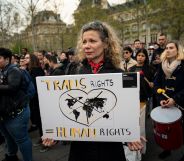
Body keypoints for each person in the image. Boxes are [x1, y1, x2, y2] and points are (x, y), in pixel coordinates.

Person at [42, 21, 146, 161]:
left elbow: (128, 110)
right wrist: (55, 133)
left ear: (105, 43)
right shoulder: (75, 73)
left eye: (92, 41)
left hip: (109, 149)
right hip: (81, 149)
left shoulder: (120, 74)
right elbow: (68, 109)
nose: (87, 46)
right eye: (84, 41)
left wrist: (130, 134)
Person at [0, 48, 32, 161]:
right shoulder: (2, 69)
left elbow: (13, 87)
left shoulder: (14, 70)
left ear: (7, 59)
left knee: (22, 140)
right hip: (5, 113)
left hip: (17, 113)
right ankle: (11, 156)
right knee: (8, 137)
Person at [154, 41, 184, 160]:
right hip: (166, 103)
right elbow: (156, 85)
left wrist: (175, 99)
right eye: (166, 48)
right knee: (167, 128)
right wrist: (161, 98)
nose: (167, 50)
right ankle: (167, 148)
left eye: (171, 48)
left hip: (181, 102)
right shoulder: (162, 66)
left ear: (178, 50)